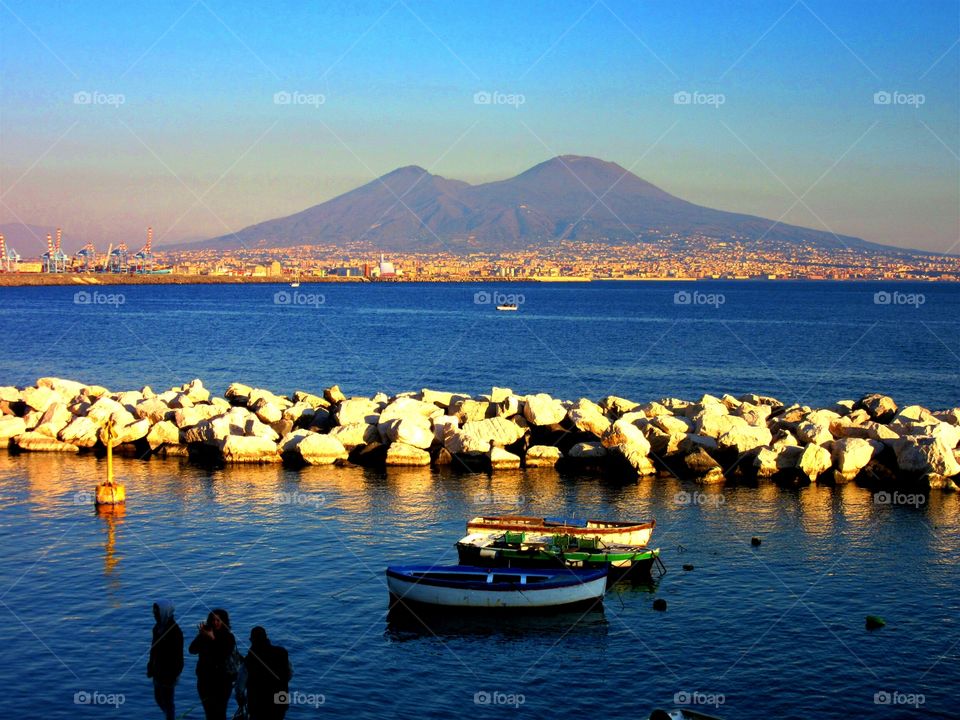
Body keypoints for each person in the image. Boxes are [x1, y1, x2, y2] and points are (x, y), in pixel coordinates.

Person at [188, 609, 237, 720]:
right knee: (209, 713)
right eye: (213, 620)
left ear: (224, 621)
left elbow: (222, 655)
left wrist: (213, 639)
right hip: (204, 681)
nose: (215, 623)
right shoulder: (204, 636)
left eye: (218, 620)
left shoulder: (229, 637)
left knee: (220, 712)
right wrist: (200, 636)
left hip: (222, 681)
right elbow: (192, 650)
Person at [244, 626, 292, 720]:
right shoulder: (282, 652)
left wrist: (241, 697)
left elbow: (242, 683)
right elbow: (289, 674)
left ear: (252, 640)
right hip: (280, 700)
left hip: (258, 704)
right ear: (266, 637)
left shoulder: (250, 658)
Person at [147, 600, 184, 720]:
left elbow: (179, 656)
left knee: (168, 701)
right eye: (154, 612)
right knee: (158, 698)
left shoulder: (175, 632)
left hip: (168, 674)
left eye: (157, 612)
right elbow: (153, 648)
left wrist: (173, 674)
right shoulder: (157, 628)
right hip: (157, 670)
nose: (154, 614)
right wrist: (150, 664)